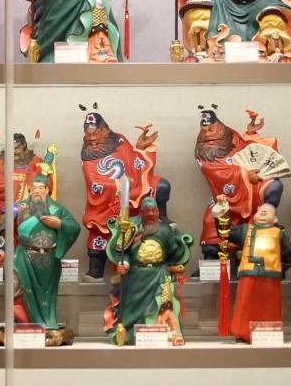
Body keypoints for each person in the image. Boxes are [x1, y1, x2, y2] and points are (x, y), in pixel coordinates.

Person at [80, 109, 170, 281]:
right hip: (105, 198)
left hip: (131, 187)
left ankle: (161, 219)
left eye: (95, 133)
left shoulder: (119, 140)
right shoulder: (88, 155)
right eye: (88, 133)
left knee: (161, 186)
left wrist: (140, 147)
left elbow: (133, 159)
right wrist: (120, 185)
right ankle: (96, 268)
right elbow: (94, 183)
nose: (91, 137)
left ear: (105, 130)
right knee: (99, 231)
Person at [195, 108, 286, 260]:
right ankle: (214, 258)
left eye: (211, 129)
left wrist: (250, 134)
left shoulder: (231, 136)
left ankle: (266, 221)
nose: (208, 134)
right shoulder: (203, 152)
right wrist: (245, 174)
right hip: (224, 196)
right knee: (212, 224)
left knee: (273, 185)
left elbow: (248, 150)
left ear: (219, 127)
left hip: (250, 189)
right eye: (204, 131)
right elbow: (217, 173)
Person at [104, 197, 194, 345]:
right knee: (131, 307)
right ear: (141, 212)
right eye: (147, 211)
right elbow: (123, 250)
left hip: (159, 274)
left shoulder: (165, 230)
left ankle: (164, 333)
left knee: (163, 305)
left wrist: (180, 242)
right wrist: (125, 263)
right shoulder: (132, 229)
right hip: (136, 275)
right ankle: (129, 335)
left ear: (158, 212)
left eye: (153, 210)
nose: (150, 214)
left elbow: (174, 252)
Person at [13, 157, 80, 330]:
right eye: (34, 188)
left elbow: (75, 227)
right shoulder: (19, 207)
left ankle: (48, 323)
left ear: (47, 190)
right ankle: (25, 324)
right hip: (25, 257)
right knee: (21, 288)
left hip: (49, 259)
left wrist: (60, 224)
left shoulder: (58, 209)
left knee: (48, 295)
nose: (37, 191)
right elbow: (2, 227)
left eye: (40, 188)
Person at [222, 202, 291, 343]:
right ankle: (243, 333)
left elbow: (288, 255)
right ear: (254, 216)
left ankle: (268, 332)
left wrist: (278, 269)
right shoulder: (245, 230)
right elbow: (226, 231)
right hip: (248, 275)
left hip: (271, 277)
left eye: (268, 211)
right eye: (261, 210)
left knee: (269, 306)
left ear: (275, 219)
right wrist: (223, 211)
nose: (263, 212)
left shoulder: (279, 233)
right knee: (245, 305)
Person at [0, 132, 44, 257]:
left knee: (31, 225)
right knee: (0, 223)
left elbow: (43, 182)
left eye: (17, 148)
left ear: (25, 146)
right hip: (4, 206)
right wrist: (11, 204)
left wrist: (27, 196)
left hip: (29, 205)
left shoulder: (36, 161)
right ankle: (0, 253)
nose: (13, 152)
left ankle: (28, 256)